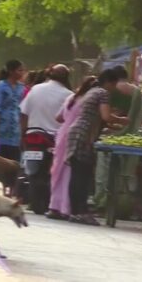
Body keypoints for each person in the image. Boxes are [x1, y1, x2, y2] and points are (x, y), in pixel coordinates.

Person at [66, 69, 129, 225]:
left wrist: (112, 125)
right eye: (114, 84)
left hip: (76, 132)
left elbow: (101, 118)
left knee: (76, 175)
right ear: (109, 82)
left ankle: (75, 212)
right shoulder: (103, 93)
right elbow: (106, 116)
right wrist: (122, 120)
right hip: (84, 134)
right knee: (82, 175)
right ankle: (81, 212)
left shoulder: (92, 91)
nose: (114, 88)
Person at [93, 66, 142, 211]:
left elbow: (105, 115)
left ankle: (102, 200)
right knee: (127, 171)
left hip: (109, 137)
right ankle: (124, 203)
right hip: (132, 139)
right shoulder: (138, 93)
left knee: (104, 171)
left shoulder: (109, 90)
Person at [46, 76, 96, 220]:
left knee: (57, 172)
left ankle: (54, 206)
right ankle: (66, 208)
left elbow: (58, 118)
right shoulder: (88, 101)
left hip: (62, 136)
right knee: (69, 173)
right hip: (75, 137)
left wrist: (69, 117)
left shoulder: (71, 98)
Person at [0, 59, 25, 191]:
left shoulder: (22, 88)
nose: (22, 73)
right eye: (19, 70)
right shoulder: (1, 86)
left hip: (16, 131)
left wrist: (23, 131)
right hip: (1, 130)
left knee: (14, 164)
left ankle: (11, 192)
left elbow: (23, 110)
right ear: (11, 71)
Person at [20, 64, 73, 136]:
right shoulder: (69, 95)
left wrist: (22, 135)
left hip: (33, 136)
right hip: (55, 139)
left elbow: (24, 113)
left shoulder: (36, 88)